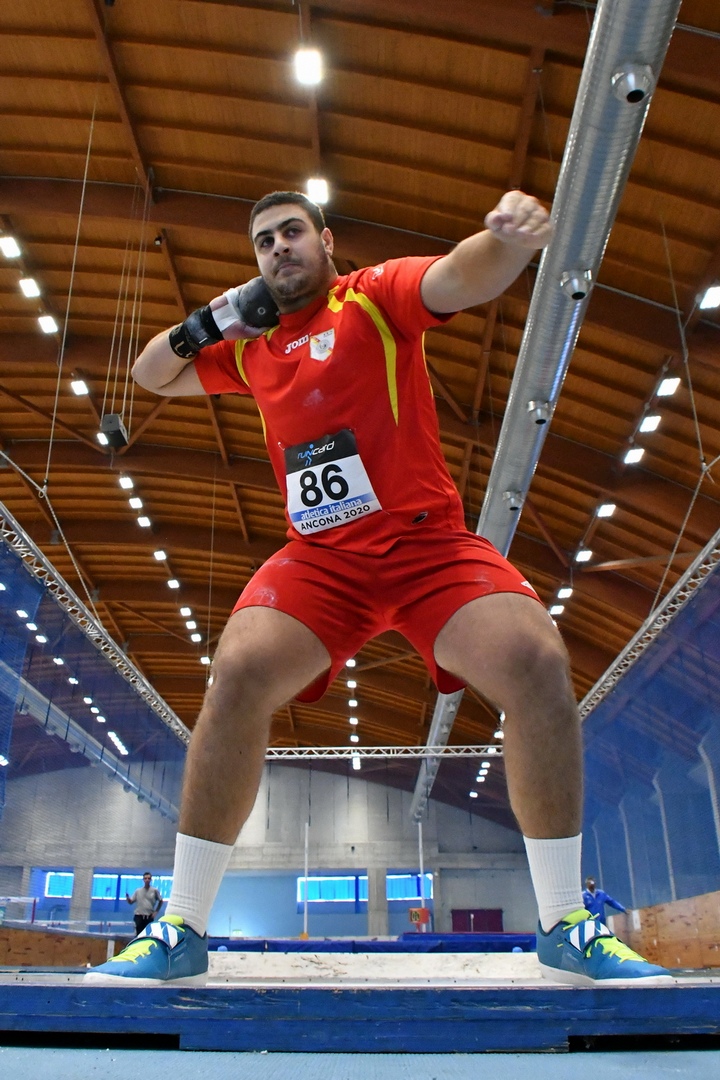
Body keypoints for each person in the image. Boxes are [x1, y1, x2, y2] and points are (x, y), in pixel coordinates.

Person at [85, 189, 672, 988]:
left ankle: (565, 922)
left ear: (326, 241)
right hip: (322, 562)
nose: (279, 248)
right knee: (239, 670)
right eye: (264, 241)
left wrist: (507, 243)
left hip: (427, 550)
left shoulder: (371, 297)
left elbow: (460, 277)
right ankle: (180, 926)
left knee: (534, 658)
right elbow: (151, 374)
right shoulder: (252, 352)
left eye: (292, 232)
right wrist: (217, 319)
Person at [125, 872, 163, 936]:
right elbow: (131, 902)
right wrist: (128, 898)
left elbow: (161, 901)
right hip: (139, 915)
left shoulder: (154, 891)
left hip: (149, 916)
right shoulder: (138, 891)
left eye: (149, 878)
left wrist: (156, 912)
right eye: (145, 878)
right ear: (143, 880)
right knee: (139, 934)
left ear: (151, 880)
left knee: (148, 934)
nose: (147, 880)